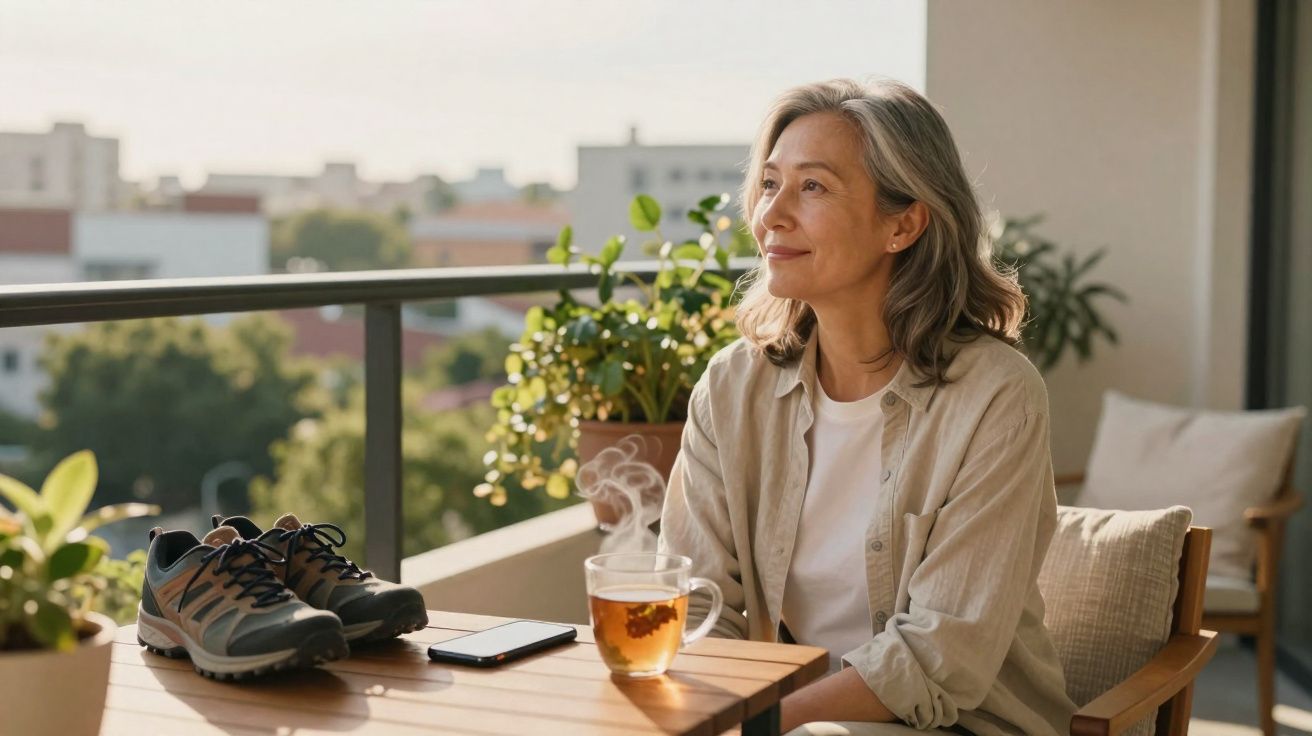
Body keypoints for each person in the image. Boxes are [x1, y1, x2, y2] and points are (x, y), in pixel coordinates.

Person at [657, 78, 1078, 736]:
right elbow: (699, 602)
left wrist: (758, 727)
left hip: (961, 724)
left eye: (813, 187)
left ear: (903, 223)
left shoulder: (996, 395)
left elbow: (939, 658)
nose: (772, 215)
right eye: (770, 184)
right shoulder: (732, 388)